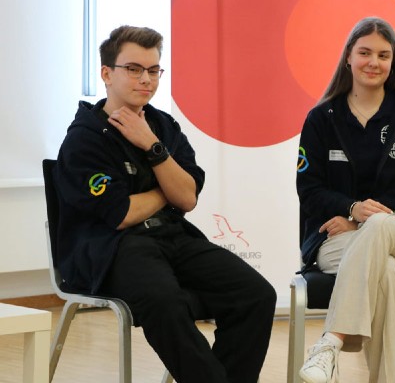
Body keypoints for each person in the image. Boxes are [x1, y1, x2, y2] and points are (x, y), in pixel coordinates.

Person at [53, 25, 276, 383]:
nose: (147, 79)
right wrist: (164, 190)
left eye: (154, 70)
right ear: (107, 74)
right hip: (113, 248)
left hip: (172, 237)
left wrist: (153, 147)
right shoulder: (84, 139)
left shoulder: (162, 126)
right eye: (135, 69)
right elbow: (121, 213)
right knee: (166, 304)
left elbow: (186, 197)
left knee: (256, 295)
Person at [295, 17, 395, 383]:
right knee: (385, 273)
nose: (373, 62)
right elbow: (308, 189)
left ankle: (331, 342)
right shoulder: (321, 119)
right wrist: (349, 209)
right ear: (348, 57)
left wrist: (361, 217)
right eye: (364, 52)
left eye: (383, 55)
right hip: (334, 239)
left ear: (393, 64)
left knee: (378, 227)